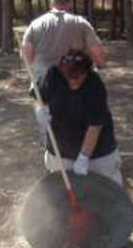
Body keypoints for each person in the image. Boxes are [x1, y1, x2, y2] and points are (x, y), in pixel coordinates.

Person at [36, 50, 123, 186]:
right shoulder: (54, 75)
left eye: (77, 77)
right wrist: (40, 109)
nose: (73, 81)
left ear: (86, 72)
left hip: (98, 155)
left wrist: (84, 157)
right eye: (69, 77)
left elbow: (95, 126)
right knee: (61, 194)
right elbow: (40, 96)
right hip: (60, 151)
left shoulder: (94, 86)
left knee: (103, 191)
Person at [21, 0, 107, 83]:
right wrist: (101, 67)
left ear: (52, 4)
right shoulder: (81, 23)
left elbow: (26, 55)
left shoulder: (35, 24)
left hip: (44, 82)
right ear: (70, 4)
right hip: (74, 82)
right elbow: (97, 51)